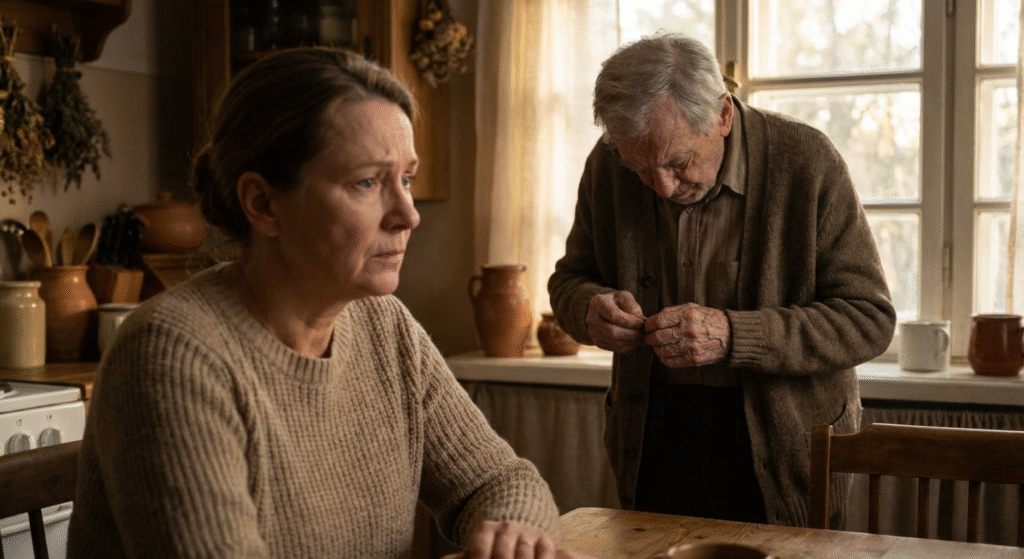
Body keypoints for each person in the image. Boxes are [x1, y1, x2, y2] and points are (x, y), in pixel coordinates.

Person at [68, 47, 586, 559]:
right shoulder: (174, 356)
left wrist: (512, 536)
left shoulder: (384, 325)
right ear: (263, 204)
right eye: (367, 182)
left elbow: (498, 480)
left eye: (405, 178)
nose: (408, 214)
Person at [548, 34, 896, 528]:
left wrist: (734, 336)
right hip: (654, 432)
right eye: (641, 170)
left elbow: (869, 319)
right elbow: (568, 281)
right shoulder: (607, 165)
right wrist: (589, 309)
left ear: (723, 115)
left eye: (678, 162)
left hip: (781, 441)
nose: (663, 187)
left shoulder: (807, 161)